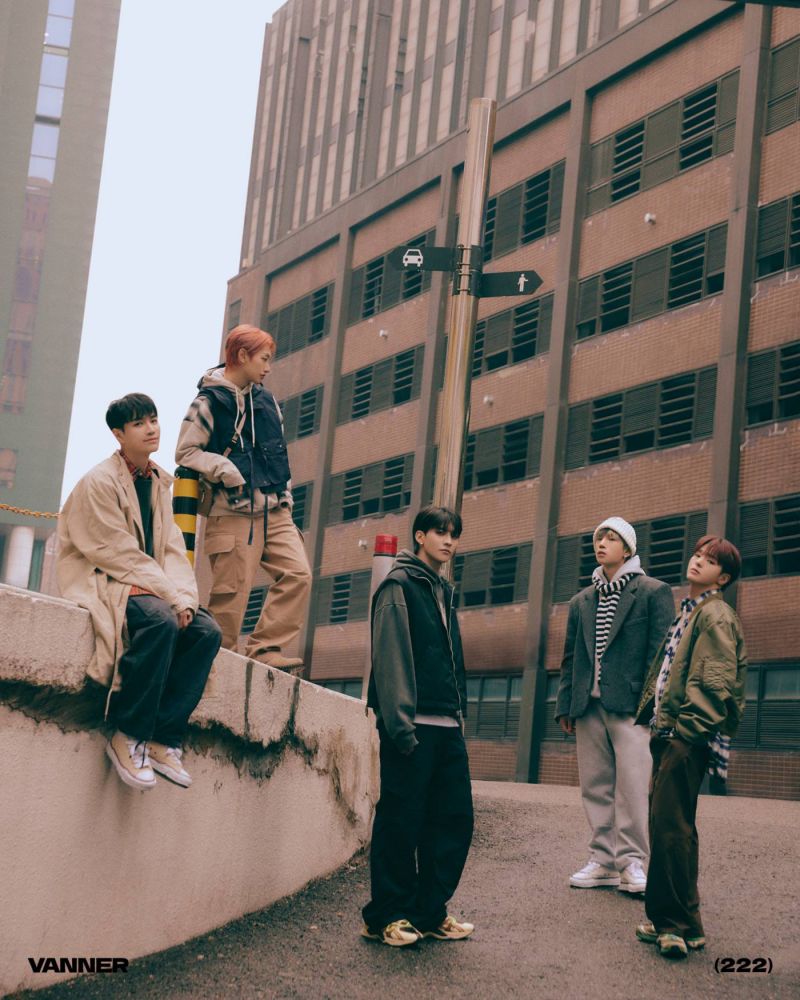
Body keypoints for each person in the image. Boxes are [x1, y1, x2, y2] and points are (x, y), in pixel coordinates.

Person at [57, 393, 221, 791]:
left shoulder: (158, 483)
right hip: (106, 576)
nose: (151, 429)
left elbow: (172, 551)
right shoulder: (99, 482)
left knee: (206, 632)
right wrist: (170, 597)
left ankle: (164, 738)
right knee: (160, 622)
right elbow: (117, 553)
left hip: (147, 581)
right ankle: (127, 734)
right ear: (118, 434)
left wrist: (184, 597)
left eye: (153, 420)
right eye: (139, 424)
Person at [361, 504, 474, 947]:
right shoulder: (400, 585)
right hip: (412, 723)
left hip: (446, 723)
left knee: (452, 818)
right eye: (440, 532)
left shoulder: (442, 590)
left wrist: (459, 716)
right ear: (420, 537)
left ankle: (429, 912)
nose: (448, 541)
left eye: (454, 534)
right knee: (400, 820)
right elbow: (390, 657)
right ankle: (386, 915)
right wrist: (399, 724)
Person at [634, 535, 747, 959]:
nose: (698, 561)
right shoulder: (693, 611)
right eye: (697, 554)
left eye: (710, 560)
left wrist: (686, 731)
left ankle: (673, 926)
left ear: (724, 577)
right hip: (673, 733)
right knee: (676, 828)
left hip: (684, 737)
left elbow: (714, 681)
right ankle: (687, 924)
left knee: (669, 829)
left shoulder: (714, 615)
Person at [176, 324, 311, 671]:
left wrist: (286, 497)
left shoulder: (267, 401)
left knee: (298, 574)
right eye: (264, 359)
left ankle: (265, 649)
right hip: (232, 512)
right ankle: (215, 670)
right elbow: (185, 452)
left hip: (275, 511)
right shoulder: (207, 403)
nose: (268, 367)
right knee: (231, 598)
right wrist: (221, 467)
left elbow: (278, 451)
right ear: (241, 356)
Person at [555, 516, 674, 893]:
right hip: (588, 707)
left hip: (632, 708)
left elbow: (661, 655)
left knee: (633, 787)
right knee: (595, 786)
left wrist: (652, 708)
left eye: (610, 538)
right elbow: (571, 657)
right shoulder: (582, 600)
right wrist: (565, 704)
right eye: (598, 538)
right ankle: (603, 861)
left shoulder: (653, 591)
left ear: (627, 548)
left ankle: (632, 862)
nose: (601, 543)